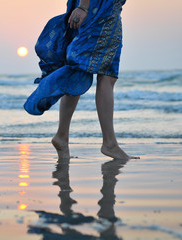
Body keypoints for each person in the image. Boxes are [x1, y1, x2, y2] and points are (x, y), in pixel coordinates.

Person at [24, 0, 139, 160]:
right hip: (101, 9)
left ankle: (62, 136)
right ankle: (109, 144)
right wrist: (83, 6)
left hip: (96, 7)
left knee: (78, 69)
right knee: (107, 74)